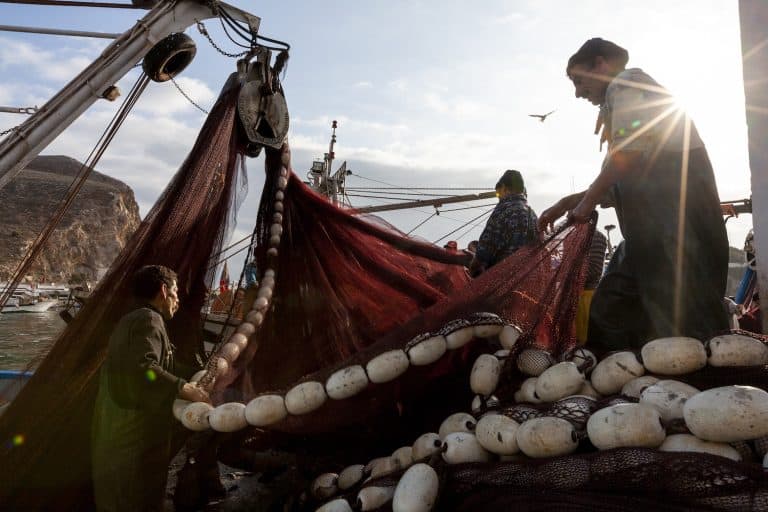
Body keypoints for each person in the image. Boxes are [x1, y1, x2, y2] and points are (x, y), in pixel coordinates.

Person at [538, 38, 729, 350]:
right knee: (610, 306)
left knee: (690, 330)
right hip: (648, 241)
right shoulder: (621, 102)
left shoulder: (627, 83)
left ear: (600, 64)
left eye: (578, 80)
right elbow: (619, 183)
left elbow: (629, 154)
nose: (577, 92)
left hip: (676, 237)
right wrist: (567, 202)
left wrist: (585, 204)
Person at [91, 265, 209, 512]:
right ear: (164, 291)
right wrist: (183, 388)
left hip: (117, 432)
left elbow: (162, 362)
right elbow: (143, 367)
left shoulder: (133, 319)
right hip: (133, 439)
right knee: (135, 497)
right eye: (176, 292)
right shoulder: (149, 319)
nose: (178, 299)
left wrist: (195, 372)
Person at [469, 169, 539, 277]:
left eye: (498, 193)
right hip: (530, 282)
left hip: (503, 282)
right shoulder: (533, 215)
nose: (498, 197)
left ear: (504, 188)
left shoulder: (503, 210)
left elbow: (483, 255)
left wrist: (472, 270)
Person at [575, 229, 608, 344]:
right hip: (573, 298)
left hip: (587, 298)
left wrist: (566, 274)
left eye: (570, 211)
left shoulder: (597, 237)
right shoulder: (574, 235)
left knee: (585, 344)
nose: (568, 215)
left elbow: (594, 269)